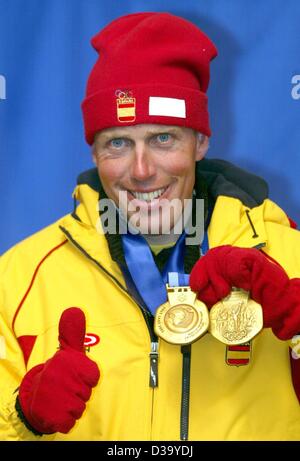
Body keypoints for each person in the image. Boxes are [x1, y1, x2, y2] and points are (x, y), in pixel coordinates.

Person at [0, 11, 299, 442]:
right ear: (93, 153)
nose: (141, 171)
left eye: (163, 139)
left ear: (200, 142)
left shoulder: (288, 259)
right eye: (118, 142)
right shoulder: (20, 278)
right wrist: (20, 420)